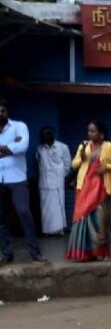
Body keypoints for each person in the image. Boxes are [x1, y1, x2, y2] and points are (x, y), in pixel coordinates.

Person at [67, 121, 111, 261]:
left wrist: (107, 167)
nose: (90, 134)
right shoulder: (84, 146)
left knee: (101, 220)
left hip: (102, 187)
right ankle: (85, 253)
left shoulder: (110, 147)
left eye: (93, 131)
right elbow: (74, 164)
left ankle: (102, 252)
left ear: (101, 133)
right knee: (82, 218)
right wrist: (81, 157)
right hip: (85, 186)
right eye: (89, 131)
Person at [0, 98, 46, 264]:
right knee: (0, 219)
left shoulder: (19, 126)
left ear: (7, 112)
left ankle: (35, 254)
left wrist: (10, 148)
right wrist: (11, 148)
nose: (0, 113)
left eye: (3, 110)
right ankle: (7, 254)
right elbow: (15, 148)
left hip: (17, 179)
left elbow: (23, 146)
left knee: (24, 213)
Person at [36, 126, 71, 236]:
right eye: (43, 134)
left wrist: (60, 176)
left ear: (52, 134)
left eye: (47, 133)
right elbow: (39, 162)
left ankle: (59, 230)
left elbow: (67, 164)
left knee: (58, 207)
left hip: (57, 184)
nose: (45, 136)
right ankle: (47, 231)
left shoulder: (62, 147)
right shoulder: (40, 148)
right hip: (44, 183)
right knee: (46, 209)